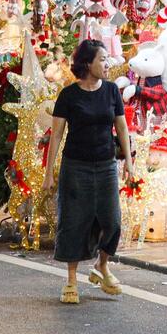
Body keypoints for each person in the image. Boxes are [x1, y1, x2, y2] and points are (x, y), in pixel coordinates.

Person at [44, 39, 133, 305]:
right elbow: (56, 136)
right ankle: (71, 280)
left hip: (106, 165)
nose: (107, 64)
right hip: (76, 166)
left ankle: (102, 265)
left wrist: (128, 160)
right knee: (74, 221)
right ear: (87, 63)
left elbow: (122, 128)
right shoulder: (69, 95)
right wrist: (49, 173)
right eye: (102, 59)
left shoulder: (111, 91)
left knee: (113, 221)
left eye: (107, 59)